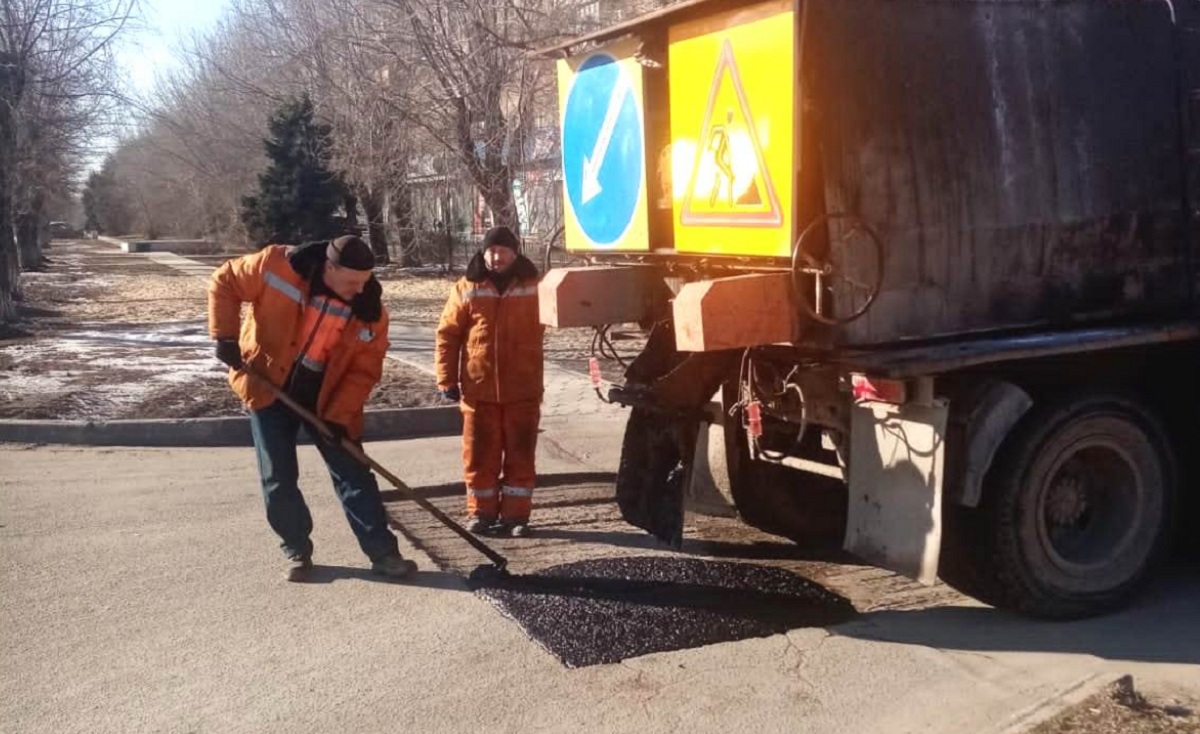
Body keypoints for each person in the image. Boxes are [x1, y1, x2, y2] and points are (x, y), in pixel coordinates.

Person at [207, 234, 418, 582]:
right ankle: (297, 549)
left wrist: (337, 416)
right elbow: (225, 281)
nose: (358, 290)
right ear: (329, 267)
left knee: (354, 474)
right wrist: (225, 336)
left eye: (364, 282)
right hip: (267, 385)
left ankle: (384, 554)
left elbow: (364, 371)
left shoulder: (370, 313)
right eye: (351, 282)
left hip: (327, 397)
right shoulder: (276, 265)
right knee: (278, 477)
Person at [435, 225, 544, 537]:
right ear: (483, 252)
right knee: (479, 457)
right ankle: (481, 514)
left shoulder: (534, 286)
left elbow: (562, 312)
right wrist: (446, 379)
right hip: (478, 392)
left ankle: (516, 518)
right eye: (491, 250)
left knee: (521, 457)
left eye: (503, 250)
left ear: (515, 252)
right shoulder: (466, 287)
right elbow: (447, 335)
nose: (497, 257)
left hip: (523, 391)